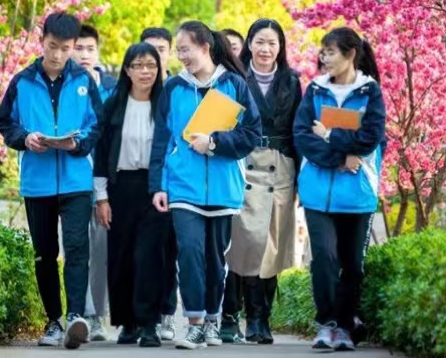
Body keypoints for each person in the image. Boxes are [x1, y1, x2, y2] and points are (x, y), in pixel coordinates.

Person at [149, 21, 263, 350]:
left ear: (205, 47)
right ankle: (195, 323)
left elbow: (251, 135)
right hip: (183, 186)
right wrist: (159, 185)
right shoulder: (173, 88)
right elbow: (162, 139)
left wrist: (213, 143)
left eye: (186, 49)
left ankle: (213, 320)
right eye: (178, 50)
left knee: (216, 259)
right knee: (189, 252)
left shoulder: (235, 85)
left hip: (225, 187)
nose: (181, 56)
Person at [0, 12, 103, 350]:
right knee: (44, 253)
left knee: (76, 248)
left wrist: (78, 143)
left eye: (65, 48)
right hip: (37, 182)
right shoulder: (22, 82)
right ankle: (53, 320)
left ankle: (75, 318)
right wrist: (25, 139)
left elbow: (97, 126)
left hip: (76, 181)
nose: (57, 55)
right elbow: (5, 123)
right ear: (42, 41)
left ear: (73, 47)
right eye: (52, 46)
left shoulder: (84, 81)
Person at [293, 27, 386, 352]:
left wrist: (331, 136)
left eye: (330, 52)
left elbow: (370, 137)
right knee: (324, 258)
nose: (324, 58)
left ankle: (345, 327)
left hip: (357, 192)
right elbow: (302, 135)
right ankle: (327, 323)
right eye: (323, 52)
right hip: (318, 189)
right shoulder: (315, 90)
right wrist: (338, 160)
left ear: (349, 54)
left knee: (352, 264)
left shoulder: (369, 92)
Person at [221, 19, 303, 345]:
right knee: (248, 243)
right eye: (259, 42)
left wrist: (300, 179)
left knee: (273, 245)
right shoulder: (236, 79)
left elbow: (300, 130)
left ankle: (261, 318)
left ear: (280, 47)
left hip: (281, 168)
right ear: (249, 44)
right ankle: (246, 315)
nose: (265, 49)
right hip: (247, 166)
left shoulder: (293, 82)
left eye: (272, 43)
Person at [94, 43, 170, 347]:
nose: (145, 72)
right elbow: (101, 152)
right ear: (127, 70)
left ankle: (149, 323)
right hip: (120, 187)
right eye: (138, 65)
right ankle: (127, 323)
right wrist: (101, 197)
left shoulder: (165, 104)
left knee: (149, 257)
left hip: (155, 189)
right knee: (122, 255)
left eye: (151, 65)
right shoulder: (114, 104)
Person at [73, 24, 116, 342]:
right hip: (72, 181)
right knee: (76, 249)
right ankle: (81, 314)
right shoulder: (61, 86)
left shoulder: (113, 88)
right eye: (79, 48)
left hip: (106, 182)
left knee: (102, 250)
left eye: (89, 48)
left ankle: (97, 316)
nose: (84, 54)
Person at [139, 26, 178, 342]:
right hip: (133, 179)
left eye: (161, 49)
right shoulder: (129, 89)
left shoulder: (179, 88)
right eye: (149, 48)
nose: (154, 55)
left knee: (168, 251)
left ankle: (166, 312)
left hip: (169, 181)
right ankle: (140, 317)